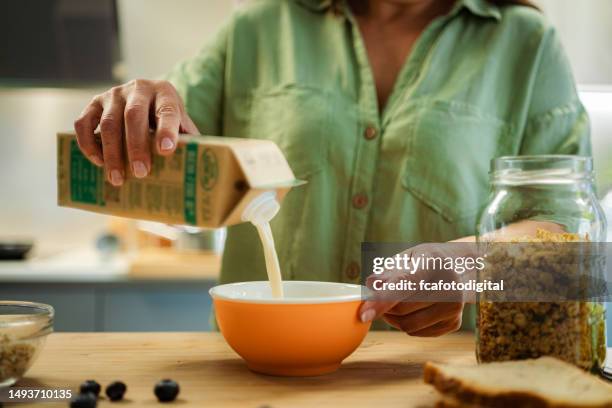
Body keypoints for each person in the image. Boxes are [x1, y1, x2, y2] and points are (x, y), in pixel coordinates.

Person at [73, 0, 590, 336]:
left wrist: (469, 265)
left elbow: (570, 240)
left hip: (422, 379)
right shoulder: (257, 27)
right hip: (253, 381)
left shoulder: (525, 43)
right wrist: (136, 121)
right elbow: (169, 158)